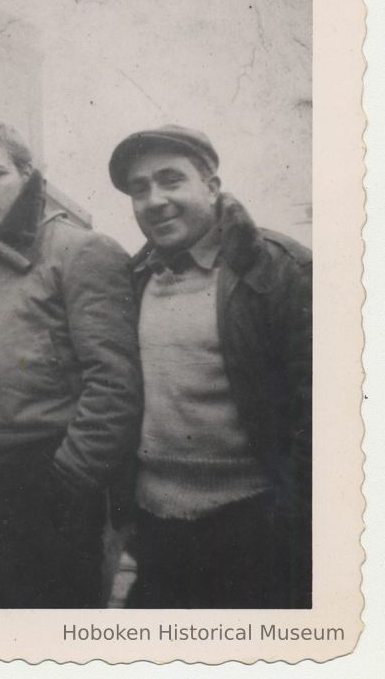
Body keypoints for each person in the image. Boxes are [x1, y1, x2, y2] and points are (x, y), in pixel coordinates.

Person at [0, 122, 143, 608]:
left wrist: (61, 486)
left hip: (42, 494)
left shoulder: (82, 251)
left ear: (27, 175)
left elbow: (114, 387)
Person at [109, 124, 312, 609]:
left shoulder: (279, 269)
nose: (155, 200)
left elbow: (324, 410)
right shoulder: (133, 280)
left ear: (212, 187)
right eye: (140, 189)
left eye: (171, 180)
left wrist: (290, 518)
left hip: (255, 530)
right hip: (157, 530)